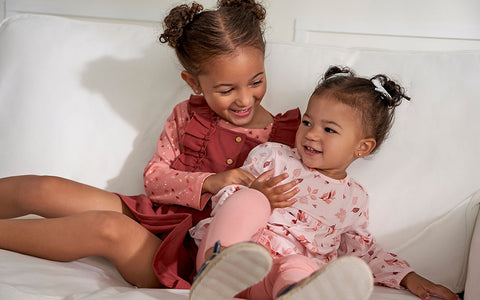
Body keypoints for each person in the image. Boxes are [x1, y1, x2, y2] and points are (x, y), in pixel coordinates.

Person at [0, 0, 301, 289]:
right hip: (156, 214)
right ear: (194, 83)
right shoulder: (188, 115)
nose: (245, 99)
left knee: (107, 228)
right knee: (43, 189)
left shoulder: (290, 138)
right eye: (226, 89)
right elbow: (155, 180)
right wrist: (211, 182)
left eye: (256, 81)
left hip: (192, 256)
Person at [188, 66, 459, 300]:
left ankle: (295, 293)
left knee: (298, 266)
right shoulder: (273, 156)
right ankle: (215, 267)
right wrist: (257, 194)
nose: (311, 134)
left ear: (362, 147)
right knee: (250, 198)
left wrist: (410, 278)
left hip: (264, 282)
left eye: (329, 129)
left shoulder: (353, 198)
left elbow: (363, 252)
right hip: (231, 252)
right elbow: (224, 201)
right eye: (307, 122)